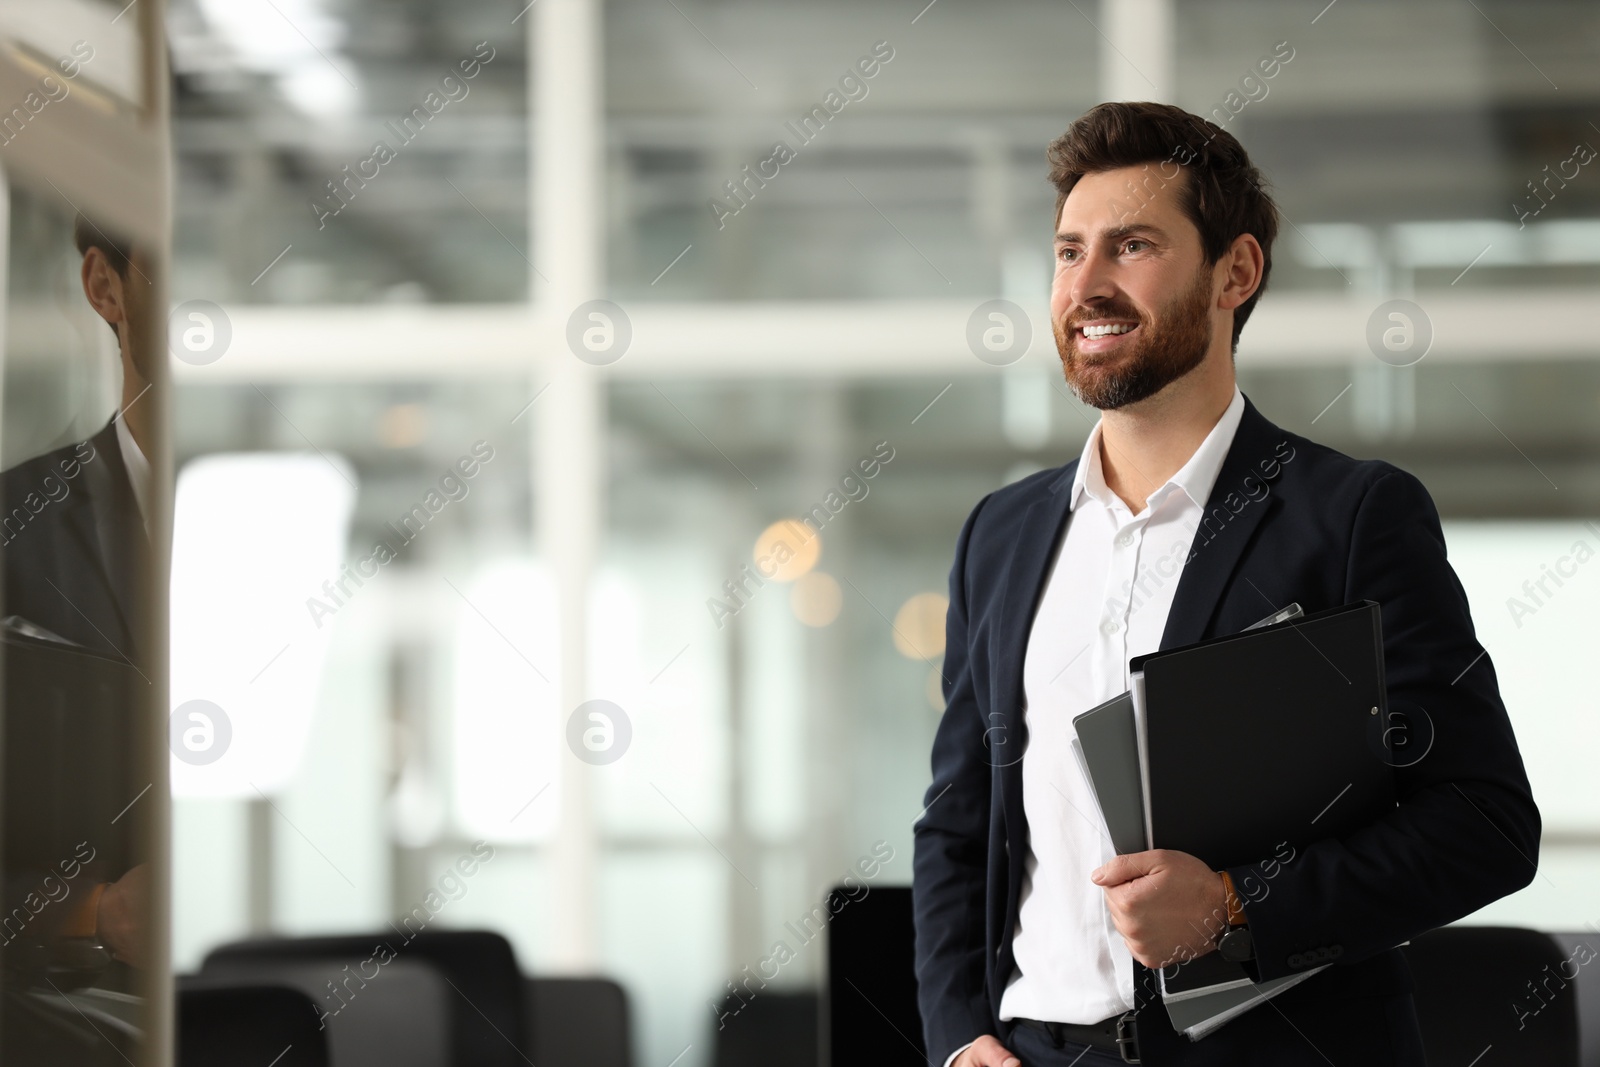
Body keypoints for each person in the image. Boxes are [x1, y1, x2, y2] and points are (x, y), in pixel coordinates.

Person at [911, 102, 1540, 1067]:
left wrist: (1234, 905)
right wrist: (961, 1036)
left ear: (1234, 272)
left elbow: (1486, 824)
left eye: (1132, 246)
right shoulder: (1000, 535)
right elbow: (959, 821)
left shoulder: (1353, 516)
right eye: (1069, 251)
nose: (1088, 283)